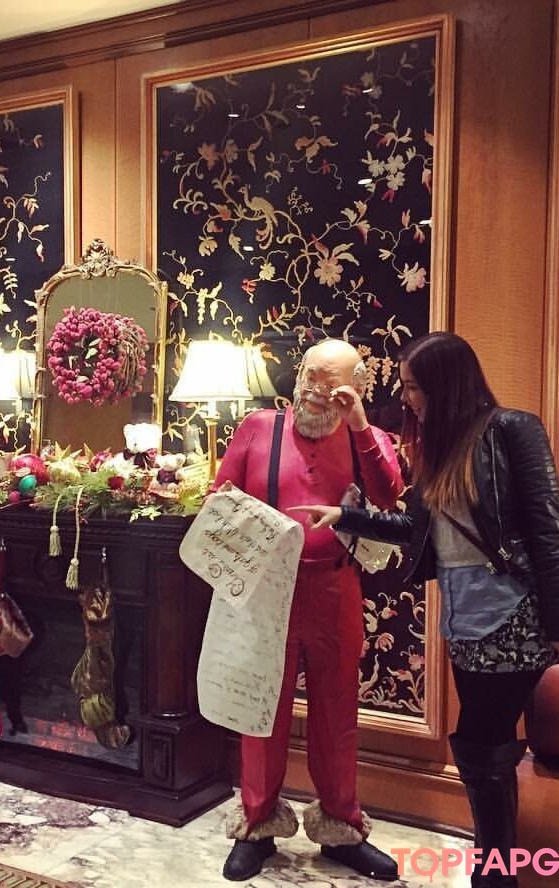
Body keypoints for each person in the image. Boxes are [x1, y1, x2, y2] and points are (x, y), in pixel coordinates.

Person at [292, 332, 559, 888]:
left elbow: (548, 529)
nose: (406, 398)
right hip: (462, 614)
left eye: (413, 387)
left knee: (482, 743)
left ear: (445, 384)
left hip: (512, 613)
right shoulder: (440, 445)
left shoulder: (511, 429)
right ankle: (496, 865)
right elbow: (417, 528)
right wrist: (345, 516)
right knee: (484, 746)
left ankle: (493, 872)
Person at [213, 338, 404, 882]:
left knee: (337, 714)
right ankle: (256, 826)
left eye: (333, 382)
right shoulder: (258, 428)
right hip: (266, 594)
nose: (318, 390)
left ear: (357, 389)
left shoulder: (370, 438)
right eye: (310, 375)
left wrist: (360, 425)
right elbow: (219, 499)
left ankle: (342, 827)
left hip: (335, 591)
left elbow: (389, 498)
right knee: (261, 711)